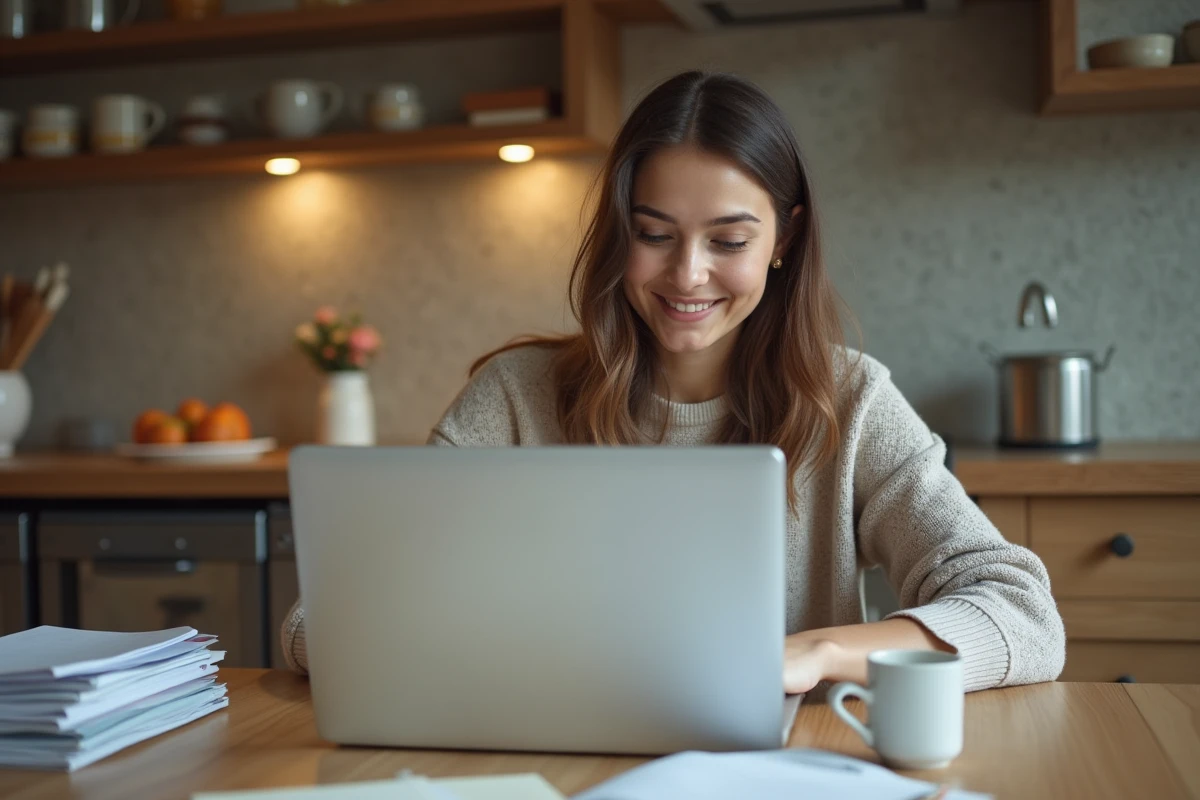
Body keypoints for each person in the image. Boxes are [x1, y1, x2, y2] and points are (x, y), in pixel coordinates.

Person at [282, 71, 1065, 694]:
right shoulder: (516, 396)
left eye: (728, 239)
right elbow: (315, 622)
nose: (687, 275)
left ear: (784, 238)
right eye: (654, 236)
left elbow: (1023, 616)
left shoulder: (850, 400)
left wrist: (815, 654)